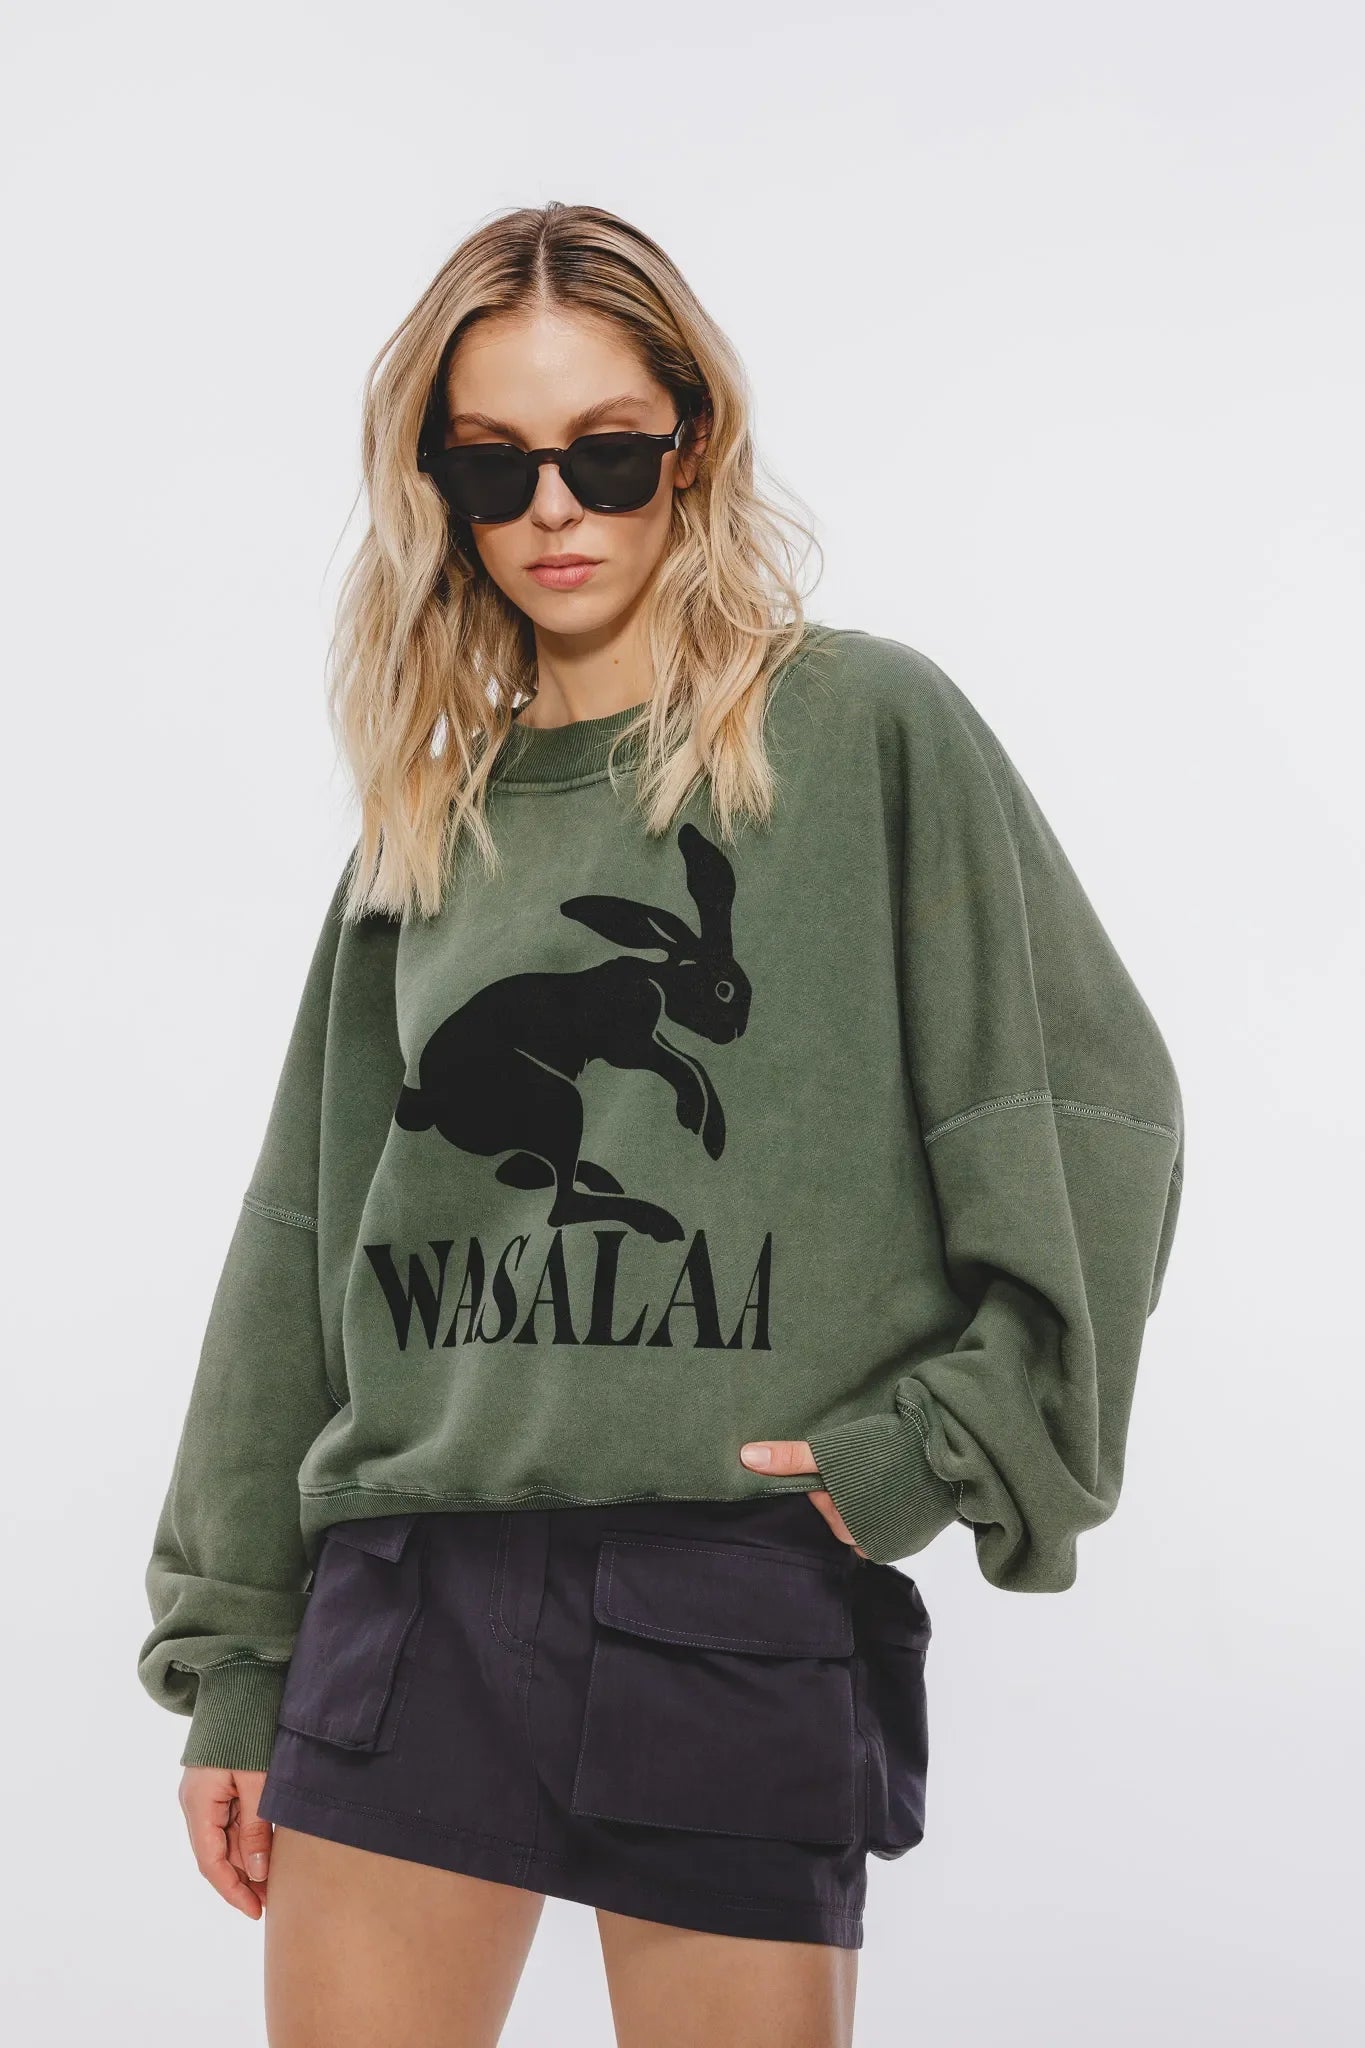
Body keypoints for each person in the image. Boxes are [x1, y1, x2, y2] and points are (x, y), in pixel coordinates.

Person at [138, 200, 1185, 2048]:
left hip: (733, 1582)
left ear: (691, 442)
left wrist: (936, 1443)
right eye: (496, 464)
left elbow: (1092, 1111)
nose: (556, 508)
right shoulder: (427, 827)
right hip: (415, 1587)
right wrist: (236, 1657)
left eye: (607, 453)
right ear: (439, 488)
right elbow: (300, 1240)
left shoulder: (863, 731)